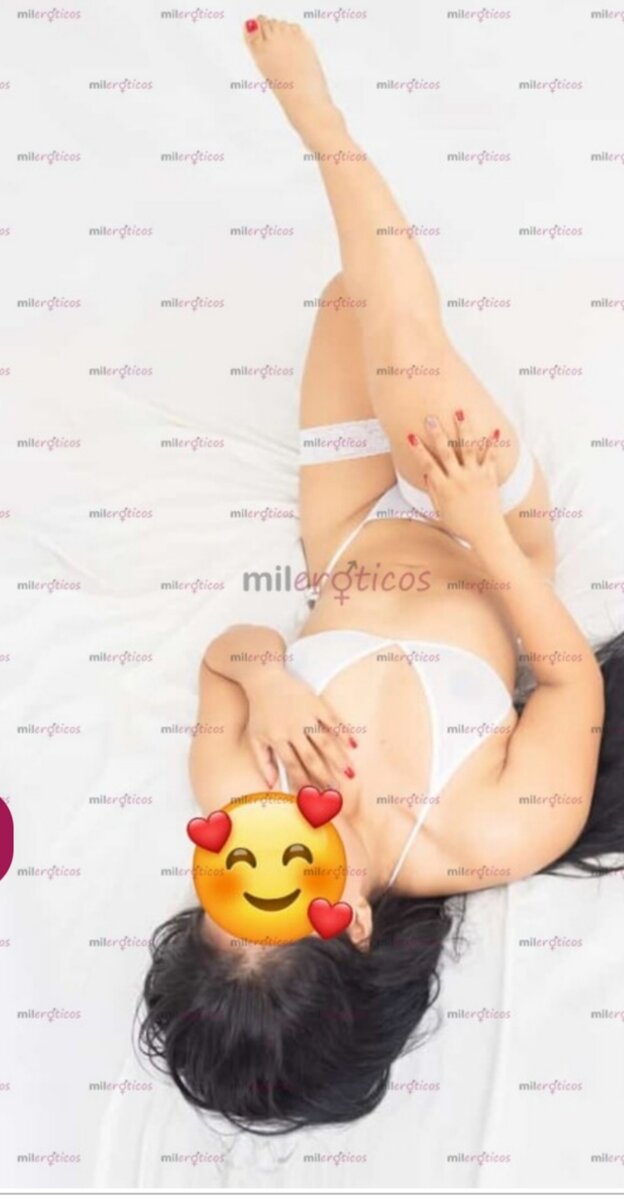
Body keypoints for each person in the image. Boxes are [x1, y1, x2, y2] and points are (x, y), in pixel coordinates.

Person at [140, 16, 624, 1131]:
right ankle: (324, 125)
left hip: (351, 524)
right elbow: (570, 683)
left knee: (345, 299)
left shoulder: (234, 796)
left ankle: (360, 216)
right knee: (398, 343)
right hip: (484, 530)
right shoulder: (491, 836)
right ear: (349, 921)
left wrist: (267, 678)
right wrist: (480, 528)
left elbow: (230, 652)